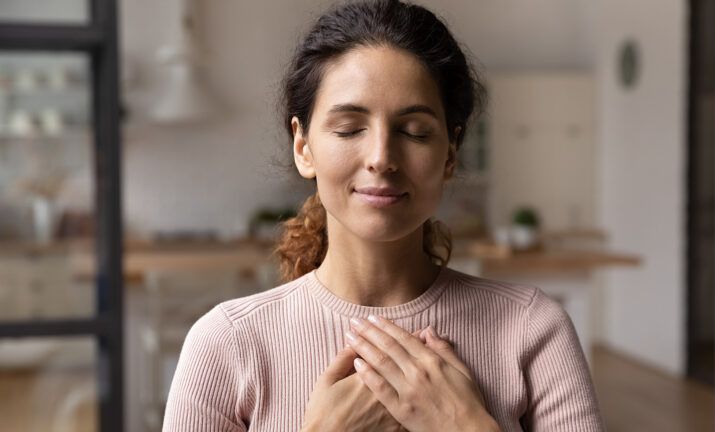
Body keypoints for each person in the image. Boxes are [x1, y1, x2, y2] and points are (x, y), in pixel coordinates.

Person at [162, 0, 605, 431]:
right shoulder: (227, 343)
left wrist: (465, 426)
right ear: (303, 146)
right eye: (350, 128)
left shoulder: (533, 329)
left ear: (450, 153)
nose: (381, 157)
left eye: (414, 131)